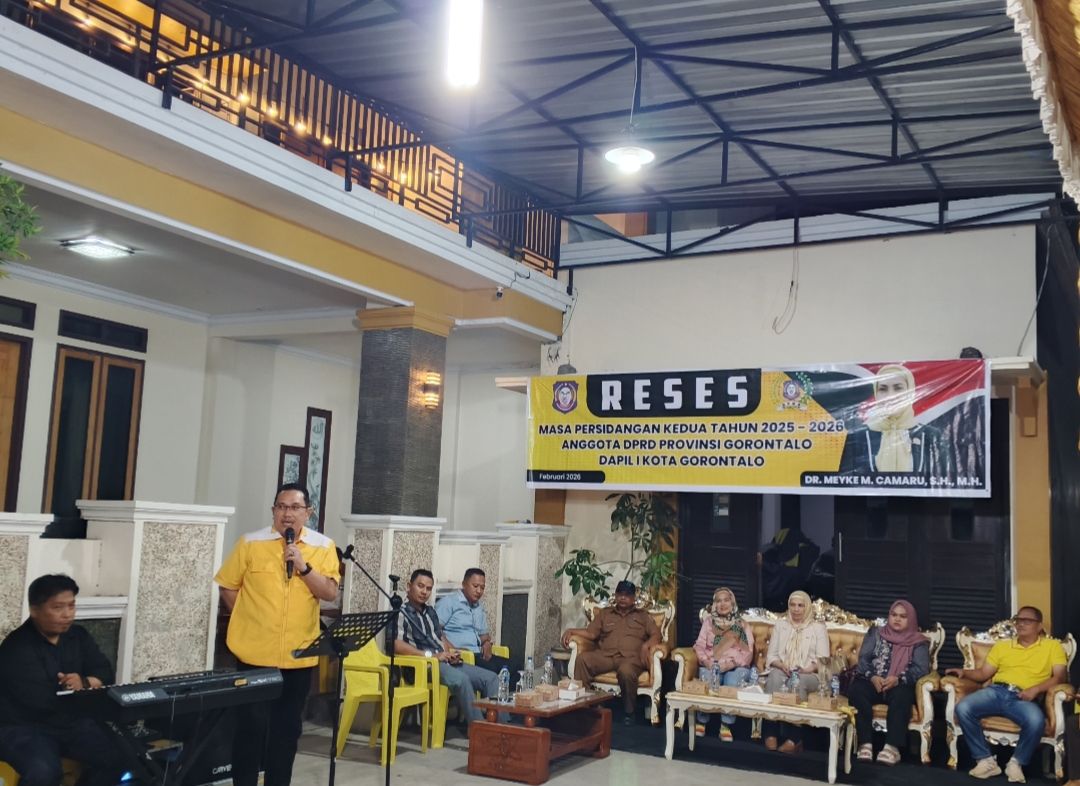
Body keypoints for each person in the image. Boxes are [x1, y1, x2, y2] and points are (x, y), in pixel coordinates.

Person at [215, 483, 340, 786]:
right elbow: (228, 585)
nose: (287, 514)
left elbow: (329, 592)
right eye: (282, 507)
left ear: (308, 512)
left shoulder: (323, 546)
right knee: (250, 728)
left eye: (295, 508)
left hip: (298, 657)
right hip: (254, 655)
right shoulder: (251, 543)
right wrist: (248, 617)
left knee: (286, 732)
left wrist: (303, 567)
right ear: (273, 511)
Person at [0, 574, 127, 786]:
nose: (67, 614)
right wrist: (84, 692)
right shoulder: (16, 647)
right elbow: (40, 701)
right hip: (23, 727)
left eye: (71, 606)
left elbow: (105, 672)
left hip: (72, 723)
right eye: (57, 607)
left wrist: (83, 683)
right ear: (35, 610)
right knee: (43, 771)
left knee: (123, 755)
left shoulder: (78, 636)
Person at [946, 606, 1066, 783]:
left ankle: (1016, 763)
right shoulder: (1002, 646)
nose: (1021, 624)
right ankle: (985, 760)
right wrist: (964, 672)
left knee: (1035, 721)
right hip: (997, 691)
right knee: (963, 707)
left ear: (1039, 626)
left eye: (1027, 621)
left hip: (1024, 697)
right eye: (1018, 620)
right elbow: (984, 674)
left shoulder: (1052, 646)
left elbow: (1060, 677)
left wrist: (1035, 690)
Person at [395, 569, 503, 726]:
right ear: (409, 586)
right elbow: (396, 645)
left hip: (444, 662)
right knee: (463, 680)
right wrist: (431, 656)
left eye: (429, 588)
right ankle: (479, 728)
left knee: (491, 678)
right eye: (420, 586)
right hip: (423, 666)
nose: (424, 592)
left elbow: (440, 637)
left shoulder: (430, 612)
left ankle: (503, 726)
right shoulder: (401, 613)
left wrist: (451, 653)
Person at [561, 580, 661, 726]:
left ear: (633, 598)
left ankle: (629, 713)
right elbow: (591, 633)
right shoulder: (605, 613)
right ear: (615, 595)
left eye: (627, 595)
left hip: (630, 658)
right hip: (606, 655)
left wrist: (646, 645)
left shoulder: (643, 616)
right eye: (620, 594)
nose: (623, 597)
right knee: (582, 660)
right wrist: (571, 631)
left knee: (626, 671)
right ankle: (585, 707)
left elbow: (657, 634)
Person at [847, 600, 930, 765]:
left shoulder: (919, 641)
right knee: (857, 690)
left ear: (911, 619)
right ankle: (865, 743)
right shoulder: (875, 633)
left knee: (902, 696)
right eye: (894, 615)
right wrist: (872, 676)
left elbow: (921, 668)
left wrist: (898, 679)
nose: (897, 619)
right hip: (874, 681)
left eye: (903, 616)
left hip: (899, 684)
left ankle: (892, 747)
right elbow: (863, 660)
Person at [761, 590, 830, 753]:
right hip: (784, 669)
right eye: (792, 605)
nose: (796, 609)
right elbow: (771, 657)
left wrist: (806, 669)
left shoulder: (818, 628)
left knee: (797, 681)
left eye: (800, 605)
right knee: (774, 677)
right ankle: (770, 732)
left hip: (810, 674)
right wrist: (781, 665)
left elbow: (823, 661)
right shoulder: (781, 625)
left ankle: (795, 737)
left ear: (807, 607)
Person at [692, 587, 756, 742]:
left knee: (732, 681)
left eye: (726, 600)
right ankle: (701, 721)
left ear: (732, 602)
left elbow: (748, 652)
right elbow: (699, 645)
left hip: (736, 666)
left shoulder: (741, 624)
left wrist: (731, 664)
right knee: (707, 679)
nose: (723, 604)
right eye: (718, 601)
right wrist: (706, 661)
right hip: (712, 664)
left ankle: (725, 725)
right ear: (714, 604)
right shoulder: (709, 623)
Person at [435, 568, 511, 674]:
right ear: (464, 584)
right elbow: (436, 630)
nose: (479, 591)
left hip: (479, 654)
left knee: (514, 668)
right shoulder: (449, 602)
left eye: (482, 588)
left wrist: (487, 643)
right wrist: (454, 650)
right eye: (475, 586)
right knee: (492, 671)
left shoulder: (479, 608)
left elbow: (484, 636)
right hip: (462, 655)